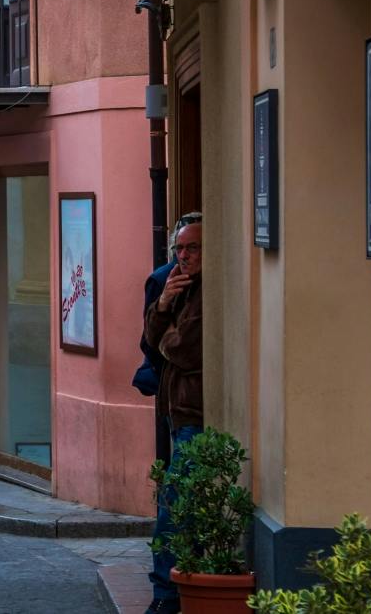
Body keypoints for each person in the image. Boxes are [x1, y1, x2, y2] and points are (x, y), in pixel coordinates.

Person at [143, 217, 204, 614]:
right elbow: (151, 340)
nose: (183, 257)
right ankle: (172, 586)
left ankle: (166, 594)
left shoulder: (205, 292)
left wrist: (165, 339)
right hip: (176, 411)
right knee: (177, 503)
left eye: (192, 249)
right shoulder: (177, 287)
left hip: (192, 411)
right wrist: (163, 305)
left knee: (174, 507)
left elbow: (183, 350)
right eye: (179, 249)